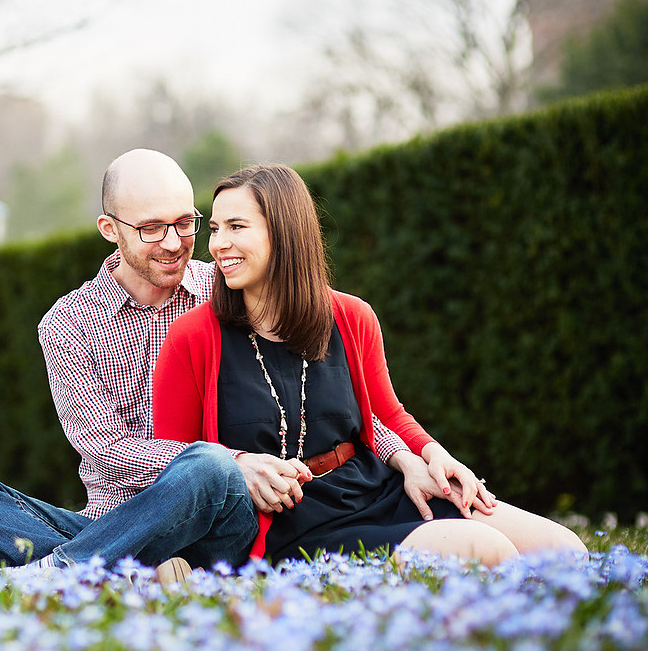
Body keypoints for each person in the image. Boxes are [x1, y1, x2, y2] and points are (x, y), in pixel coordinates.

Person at [0, 150, 469, 577]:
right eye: (151, 228)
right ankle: (113, 571)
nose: (176, 242)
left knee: (208, 469)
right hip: (118, 520)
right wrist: (231, 461)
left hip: (222, 522)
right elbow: (101, 444)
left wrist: (408, 454)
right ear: (111, 229)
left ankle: (59, 575)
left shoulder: (225, 285)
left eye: (186, 223)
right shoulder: (68, 322)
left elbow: (337, 388)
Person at [152, 164, 587, 567]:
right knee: (487, 551)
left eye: (236, 227)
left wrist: (433, 455)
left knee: (566, 552)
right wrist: (240, 463)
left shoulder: (351, 317)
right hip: (290, 521)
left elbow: (387, 413)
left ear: (284, 233)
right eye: (215, 228)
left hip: (374, 486)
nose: (217, 245)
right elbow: (178, 464)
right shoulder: (193, 336)